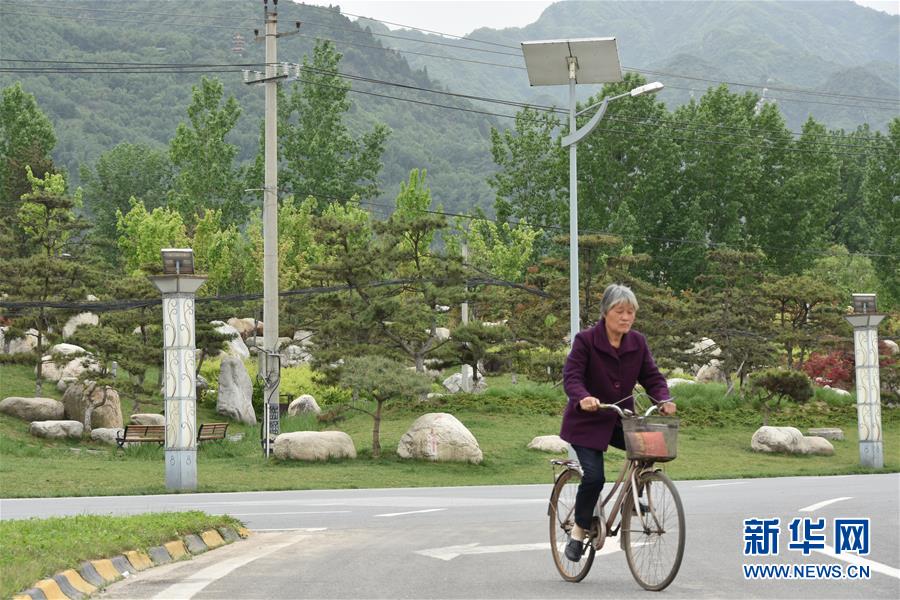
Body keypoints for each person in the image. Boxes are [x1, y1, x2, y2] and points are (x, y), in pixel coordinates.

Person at [559, 283, 676, 562]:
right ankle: (578, 531)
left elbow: (652, 377)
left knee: (651, 446)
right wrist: (583, 397)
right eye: (619, 311)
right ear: (605, 312)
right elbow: (572, 376)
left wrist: (663, 399)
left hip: (619, 418)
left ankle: (634, 498)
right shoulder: (586, 340)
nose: (625, 317)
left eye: (630, 312)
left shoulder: (637, 342)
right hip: (586, 423)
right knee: (595, 477)